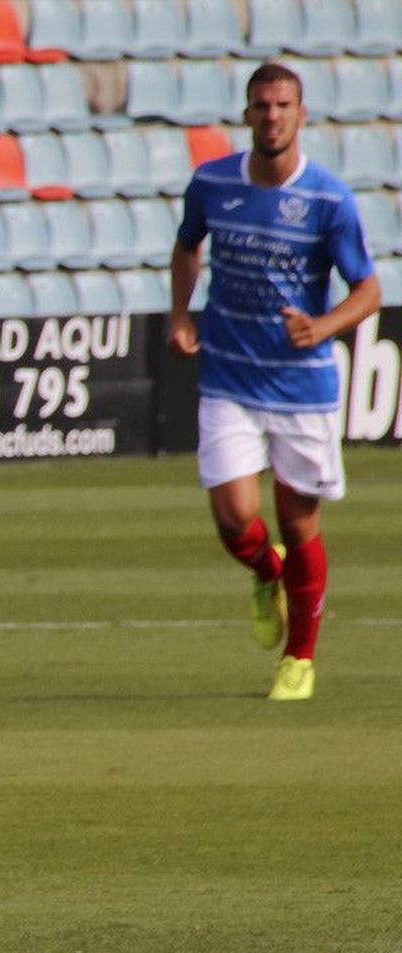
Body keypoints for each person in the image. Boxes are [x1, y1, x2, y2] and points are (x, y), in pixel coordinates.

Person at [169, 63, 379, 700]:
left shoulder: (328, 199)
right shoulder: (210, 182)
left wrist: (323, 327)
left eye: (282, 105)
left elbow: (368, 289)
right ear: (247, 113)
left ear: (301, 113)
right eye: (261, 106)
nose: (271, 116)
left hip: (299, 386)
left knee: (298, 523)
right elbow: (187, 246)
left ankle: (300, 660)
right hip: (230, 375)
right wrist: (181, 313)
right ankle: (267, 574)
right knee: (235, 518)